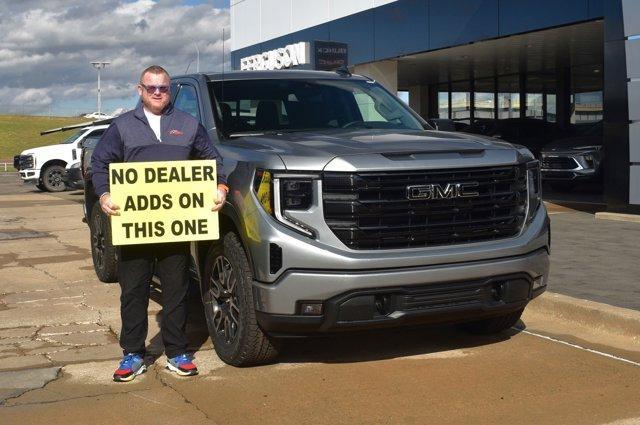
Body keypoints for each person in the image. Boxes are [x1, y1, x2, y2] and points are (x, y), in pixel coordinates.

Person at [91, 65, 227, 382]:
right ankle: (133, 353)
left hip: (175, 226)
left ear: (170, 90)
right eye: (150, 87)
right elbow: (100, 162)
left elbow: (212, 160)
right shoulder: (123, 125)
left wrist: (219, 187)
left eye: (162, 88)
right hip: (134, 224)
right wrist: (104, 195)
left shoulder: (188, 124)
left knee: (177, 290)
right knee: (134, 292)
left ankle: (177, 352)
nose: (157, 93)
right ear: (140, 90)